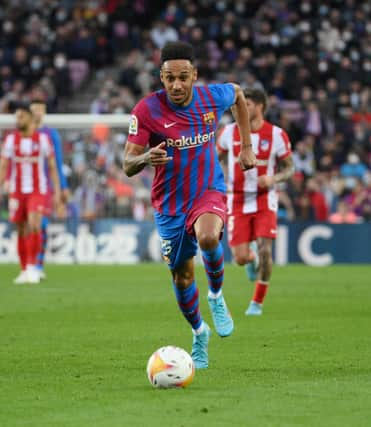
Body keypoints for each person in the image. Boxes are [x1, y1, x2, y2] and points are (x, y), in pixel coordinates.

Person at [122, 41, 256, 369]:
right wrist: (145, 157)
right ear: (161, 78)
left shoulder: (212, 97)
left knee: (209, 237)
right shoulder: (146, 110)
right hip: (169, 204)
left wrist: (246, 146)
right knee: (182, 277)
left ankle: (216, 296)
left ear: (194, 75)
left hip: (207, 191)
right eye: (170, 78)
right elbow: (127, 164)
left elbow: (239, 95)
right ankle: (199, 331)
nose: (177, 85)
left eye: (183, 77)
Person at [217, 88, 294, 316]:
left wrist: (273, 178)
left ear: (260, 106)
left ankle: (257, 303)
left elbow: (290, 168)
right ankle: (249, 258)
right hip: (237, 199)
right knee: (240, 259)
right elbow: (216, 157)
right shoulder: (228, 133)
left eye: (246, 104)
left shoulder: (277, 135)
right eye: (237, 106)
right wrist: (223, 174)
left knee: (265, 251)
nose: (240, 109)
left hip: (264, 198)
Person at [0, 102, 61, 284]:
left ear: (30, 118)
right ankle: (23, 270)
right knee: (21, 228)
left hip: (38, 189)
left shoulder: (43, 140)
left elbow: (53, 167)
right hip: (17, 190)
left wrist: (57, 191)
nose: (18, 119)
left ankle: (33, 267)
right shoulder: (10, 140)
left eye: (21, 116)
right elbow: (3, 166)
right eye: (17, 116)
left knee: (34, 223)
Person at [30, 98, 69, 280]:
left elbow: (58, 162)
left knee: (42, 225)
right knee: (27, 226)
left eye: (41, 109)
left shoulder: (51, 134)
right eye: (35, 109)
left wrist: (62, 187)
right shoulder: (22, 134)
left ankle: (38, 263)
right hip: (24, 187)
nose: (38, 112)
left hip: (44, 187)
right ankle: (28, 263)